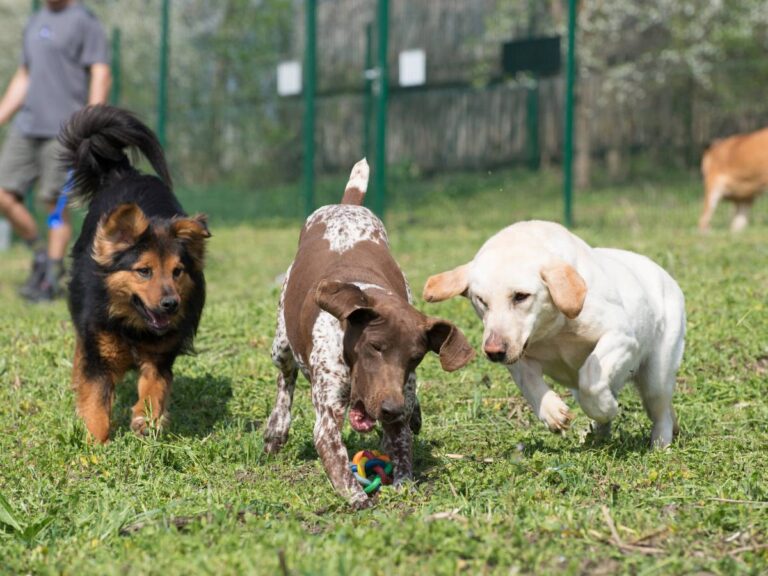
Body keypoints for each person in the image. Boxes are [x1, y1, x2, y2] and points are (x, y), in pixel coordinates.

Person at [0, 0, 111, 302]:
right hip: (26, 126)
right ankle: (39, 253)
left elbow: (101, 73)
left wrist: (90, 123)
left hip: (64, 130)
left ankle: (51, 275)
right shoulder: (36, 21)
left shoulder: (84, 21)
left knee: (55, 206)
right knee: (3, 195)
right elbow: (25, 75)